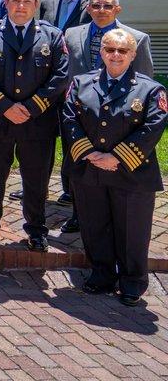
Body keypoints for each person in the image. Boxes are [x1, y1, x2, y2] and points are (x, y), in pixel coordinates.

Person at [61, 28, 166, 306]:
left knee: (132, 230)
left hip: (132, 172)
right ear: (102, 53)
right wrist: (90, 153)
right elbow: (70, 119)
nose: (115, 55)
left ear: (133, 55)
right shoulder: (81, 83)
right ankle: (102, 274)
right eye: (109, 49)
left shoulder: (150, 89)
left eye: (122, 51)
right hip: (90, 169)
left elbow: (153, 127)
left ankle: (132, 282)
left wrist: (116, 156)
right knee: (94, 226)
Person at [0, 0, 71, 252]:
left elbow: (60, 76)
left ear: (36, 4)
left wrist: (32, 107)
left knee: (36, 180)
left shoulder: (52, 35)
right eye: (16, 0)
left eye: (27, 1)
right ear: (7, 3)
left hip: (37, 123)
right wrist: (4, 106)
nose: (21, 5)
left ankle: (36, 230)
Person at [60, 0, 155, 232]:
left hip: (120, 115)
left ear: (117, 9)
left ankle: (114, 213)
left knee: (114, 165)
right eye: (96, 5)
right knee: (78, 166)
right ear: (88, 8)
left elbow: (144, 80)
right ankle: (78, 213)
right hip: (81, 114)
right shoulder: (71, 34)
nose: (101, 10)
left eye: (108, 6)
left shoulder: (136, 38)